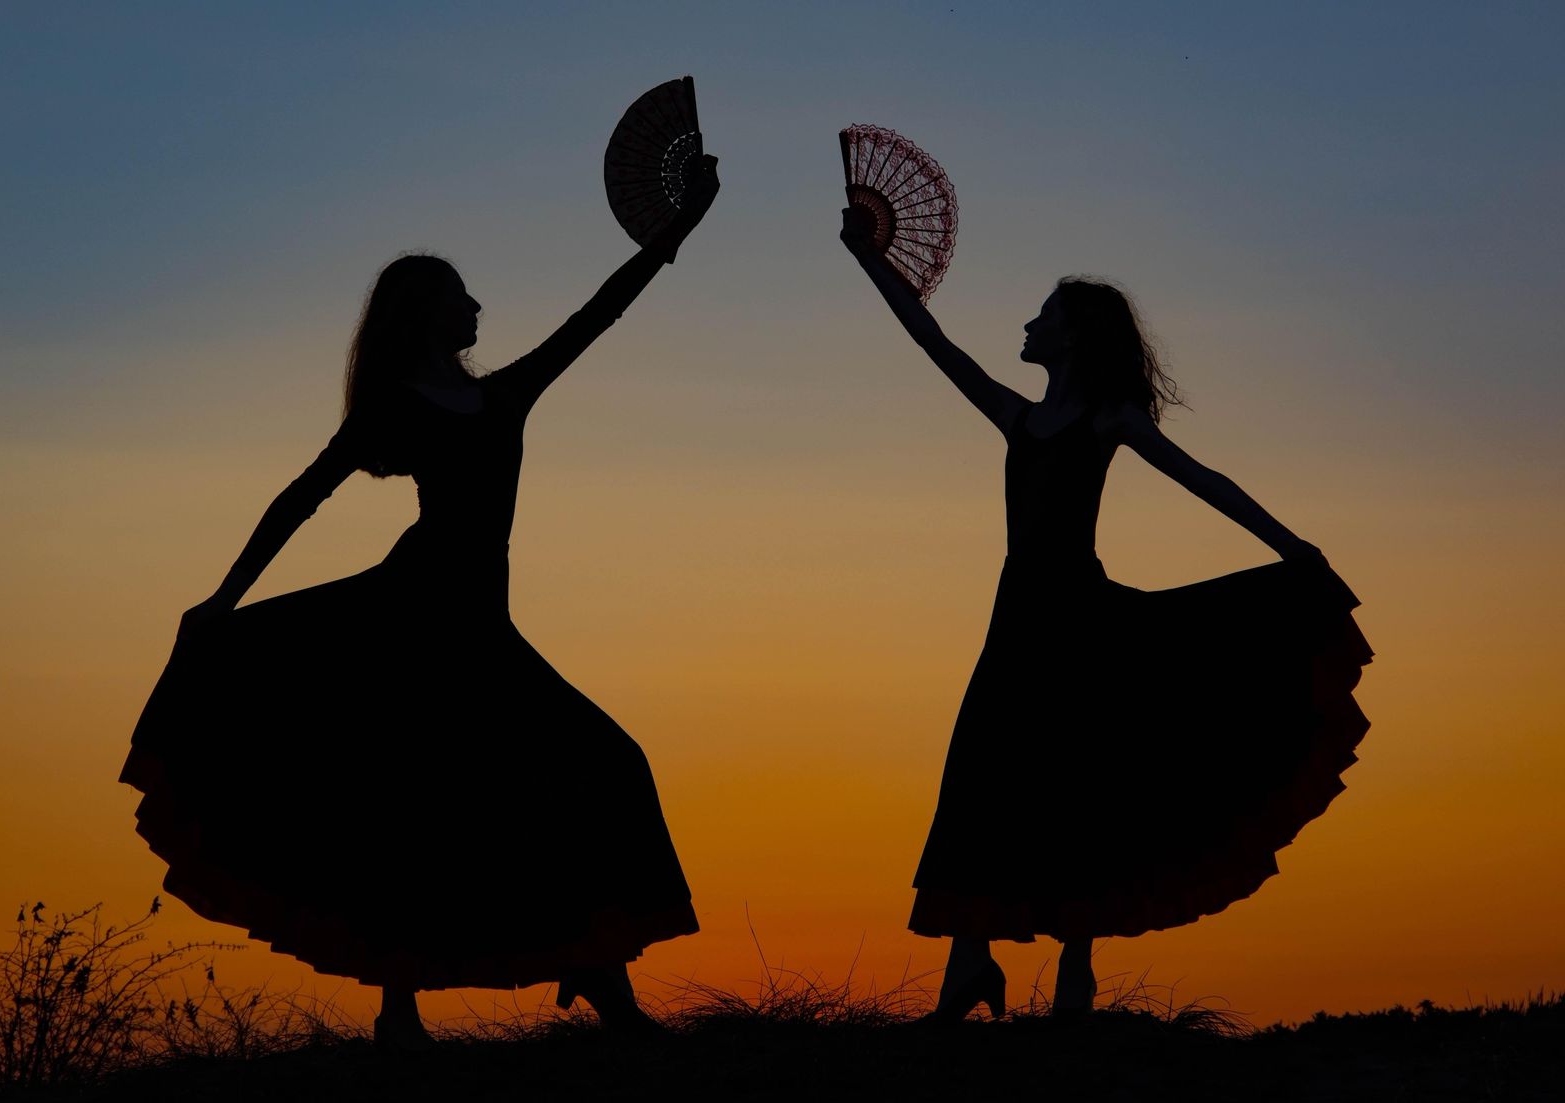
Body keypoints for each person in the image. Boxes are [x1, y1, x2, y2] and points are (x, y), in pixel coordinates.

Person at [122, 160, 719, 1046]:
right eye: (460, 295)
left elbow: (603, 309)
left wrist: (682, 225)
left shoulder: (504, 393)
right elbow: (301, 496)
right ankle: (412, 1008)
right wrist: (224, 597)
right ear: (425, 313)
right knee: (408, 803)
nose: (477, 306)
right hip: (408, 617)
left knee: (591, 768)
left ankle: (591, 964)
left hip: (478, 622)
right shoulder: (396, 408)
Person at [838, 207, 1371, 1018]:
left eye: (1043, 314)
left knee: (1085, 781)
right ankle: (971, 961)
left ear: (1076, 336)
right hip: (1017, 623)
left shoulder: (1107, 421)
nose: (1027, 322)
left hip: (1084, 623)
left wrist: (1293, 546)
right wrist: (868, 259)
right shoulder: (1018, 417)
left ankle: (1074, 966)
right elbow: (930, 341)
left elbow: (1206, 480)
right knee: (982, 777)